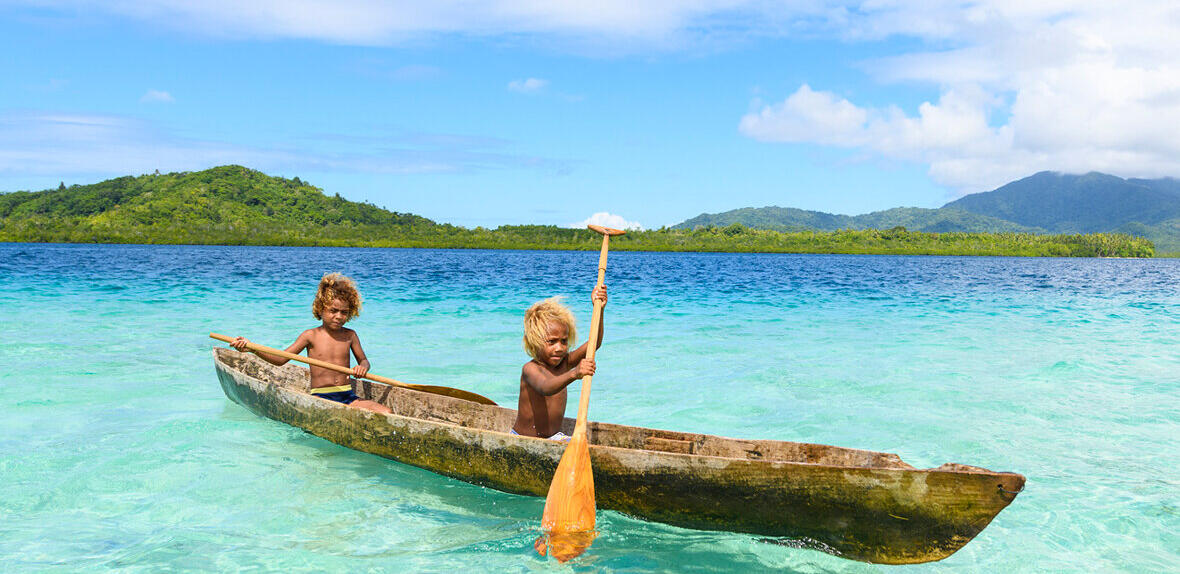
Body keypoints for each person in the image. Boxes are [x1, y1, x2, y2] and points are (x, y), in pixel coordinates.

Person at [231, 272, 391, 415]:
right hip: (321, 397)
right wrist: (252, 348)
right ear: (321, 309)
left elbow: (364, 360)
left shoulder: (350, 335)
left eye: (344, 312)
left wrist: (362, 367)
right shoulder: (310, 336)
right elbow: (280, 359)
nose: (338, 316)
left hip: (347, 396)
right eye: (333, 310)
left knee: (386, 412)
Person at [511, 285, 607, 440]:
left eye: (564, 341)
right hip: (522, 439)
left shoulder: (564, 362)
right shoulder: (530, 369)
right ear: (535, 341)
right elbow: (546, 387)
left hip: (552, 438)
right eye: (552, 342)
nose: (559, 348)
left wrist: (599, 310)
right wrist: (574, 373)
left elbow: (594, 343)